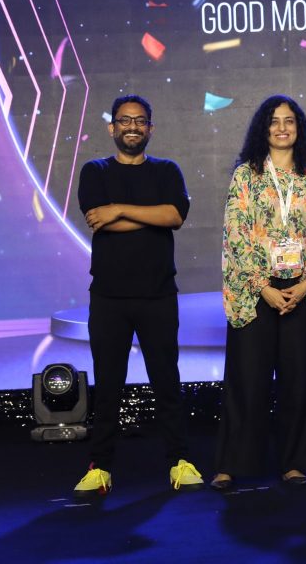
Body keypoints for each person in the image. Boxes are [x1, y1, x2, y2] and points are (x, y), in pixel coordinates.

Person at [72, 94, 204, 498]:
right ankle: (100, 468)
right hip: (109, 298)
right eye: (125, 120)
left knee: (167, 383)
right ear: (112, 127)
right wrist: (144, 214)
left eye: (140, 121)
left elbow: (174, 216)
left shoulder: (167, 170)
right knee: (108, 386)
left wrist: (118, 209)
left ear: (150, 128)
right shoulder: (94, 171)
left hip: (157, 294)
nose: (133, 127)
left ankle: (180, 461)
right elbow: (99, 220)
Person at [212, 95, 306, 491]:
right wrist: (263, 287)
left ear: (299, 128)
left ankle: (295, 463)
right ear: (263, 129)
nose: (282, 128)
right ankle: (232, 463)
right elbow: (236, 234)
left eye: (289, 121)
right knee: (247, 380)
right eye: (274, 121)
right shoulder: (246, 175)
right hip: (255, 291)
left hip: (302, 288)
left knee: (299, 381)